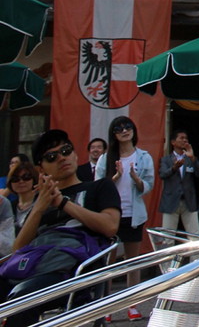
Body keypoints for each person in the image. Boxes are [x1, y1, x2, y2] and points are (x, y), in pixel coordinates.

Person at [0, 130, 119, 327]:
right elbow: (18, 250)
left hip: (74, 272)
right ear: (42, 169)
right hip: (35, 267)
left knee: (24, 297)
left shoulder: (99, 187)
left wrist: (63, 203)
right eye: (51, 156)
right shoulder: (42, 200)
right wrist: (39, 207)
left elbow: (110, 227)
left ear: (75, 154)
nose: (61, 158)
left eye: (65, 150)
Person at [95, 115, 155, 318]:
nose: (124, 131)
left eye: (127, 127)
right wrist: (115, 177)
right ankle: (106, 306)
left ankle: (132, 304)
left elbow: (149, 185)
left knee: (132, 261)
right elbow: (97, 187)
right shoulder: (106, 158)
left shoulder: (143, 156)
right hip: (110, 215)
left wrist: (137, 180)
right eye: (119, 129)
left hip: (134, 214)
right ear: (114, 134)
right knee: (108, 262)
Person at [159, 129, 199, 234]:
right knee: (168, 237)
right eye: (181, 138)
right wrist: (174, 168)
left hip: (188, 201)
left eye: (186, 138)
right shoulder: (166, 160)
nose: (184, 140)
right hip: (171, 201)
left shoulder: (190, 158)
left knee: (195, 235)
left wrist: (193, 158)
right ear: (173, 142)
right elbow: (162, 175)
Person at [8, 160, 38, 232]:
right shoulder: (10, 206)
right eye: (15, 179)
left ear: (33, 179)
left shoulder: (43, 202)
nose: (21, 181)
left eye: (26, 177)